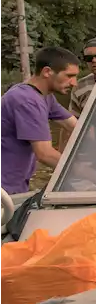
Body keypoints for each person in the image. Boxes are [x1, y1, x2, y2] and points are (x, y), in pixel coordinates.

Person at [0, 47, 79, 195]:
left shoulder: (44, 96)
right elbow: (45, 154)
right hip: (4, 190)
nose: (74, 83)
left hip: (15, 186)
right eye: (69, 76)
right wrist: (90, 175)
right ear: (47, 72)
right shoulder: (26, 100)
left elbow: (77, 127)